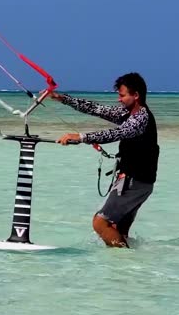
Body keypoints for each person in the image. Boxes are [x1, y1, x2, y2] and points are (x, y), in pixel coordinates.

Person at [51, 72, 159, 248]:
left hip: (134, 182)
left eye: (122, 95)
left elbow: (115, 133)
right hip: (140, 182)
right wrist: (63, 99)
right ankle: (128, 269)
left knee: (100, 223)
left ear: (136, 95)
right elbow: (96, 109)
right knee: (118, 230)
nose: (119, 99)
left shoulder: (141, 118)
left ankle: (127, 260)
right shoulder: (127, 112)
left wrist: (81, 137)